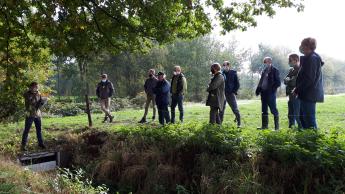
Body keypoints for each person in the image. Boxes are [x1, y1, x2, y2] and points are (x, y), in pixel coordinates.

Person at [293, 37, 324, 129]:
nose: (300, 47)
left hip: (309, 94)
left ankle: (313, 141)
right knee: (303, 119)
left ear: (307, 46)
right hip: (306, 93)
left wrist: (297, 89)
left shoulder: (312, 59)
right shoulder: (309, 58)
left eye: (302, 45)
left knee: (309, 120)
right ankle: (306, 140)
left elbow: (309, 79)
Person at [255, 57, 281, 130]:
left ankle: (277, 128)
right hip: (263, 93)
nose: (265, 63)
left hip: (271, 94)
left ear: (270, 61)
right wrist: (258, 89)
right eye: (264, 62)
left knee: (273, 110)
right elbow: (261, 81)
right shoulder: (264, 71)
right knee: (264, 110)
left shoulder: (275, 70)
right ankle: (264, 126)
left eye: (266, 62)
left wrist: (271, 90)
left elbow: (278, 83)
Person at [21, 82, 47, 151]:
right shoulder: (27, 94)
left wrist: (43, 102)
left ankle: (40, 143)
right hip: (30, 114)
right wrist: (35, 95)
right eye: (34, 87)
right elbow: (31, 102)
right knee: (26, 130)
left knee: (39, 130)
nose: (36, 88)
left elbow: (40, 103)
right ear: (31, 87)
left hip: (37, 114)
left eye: (36, 87)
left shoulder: (39, 93)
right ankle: (23, 146)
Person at [220, 61, 241, 127]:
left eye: (227, 65)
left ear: (229, 66)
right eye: (224, 65)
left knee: (235, 109)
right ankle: (219, 124)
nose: (225, 66)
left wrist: (233, 91)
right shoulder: (221, 73)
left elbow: (237, 84)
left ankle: (239, 123)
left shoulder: (233, 73)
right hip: (222, 94)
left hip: (230, 94)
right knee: (221, 110)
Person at [284, 54, 302, 128]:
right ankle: (291, 129)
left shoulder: (301, 69)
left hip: (297, 95)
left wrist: (289, 80)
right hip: (290, 95)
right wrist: (289, 80)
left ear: (296, 60)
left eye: (290, 60)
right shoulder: (291, 70)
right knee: (290, 114)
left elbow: (295, 82)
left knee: (298, 114)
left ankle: (301, 130)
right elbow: (285, 80)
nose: (289, 62)